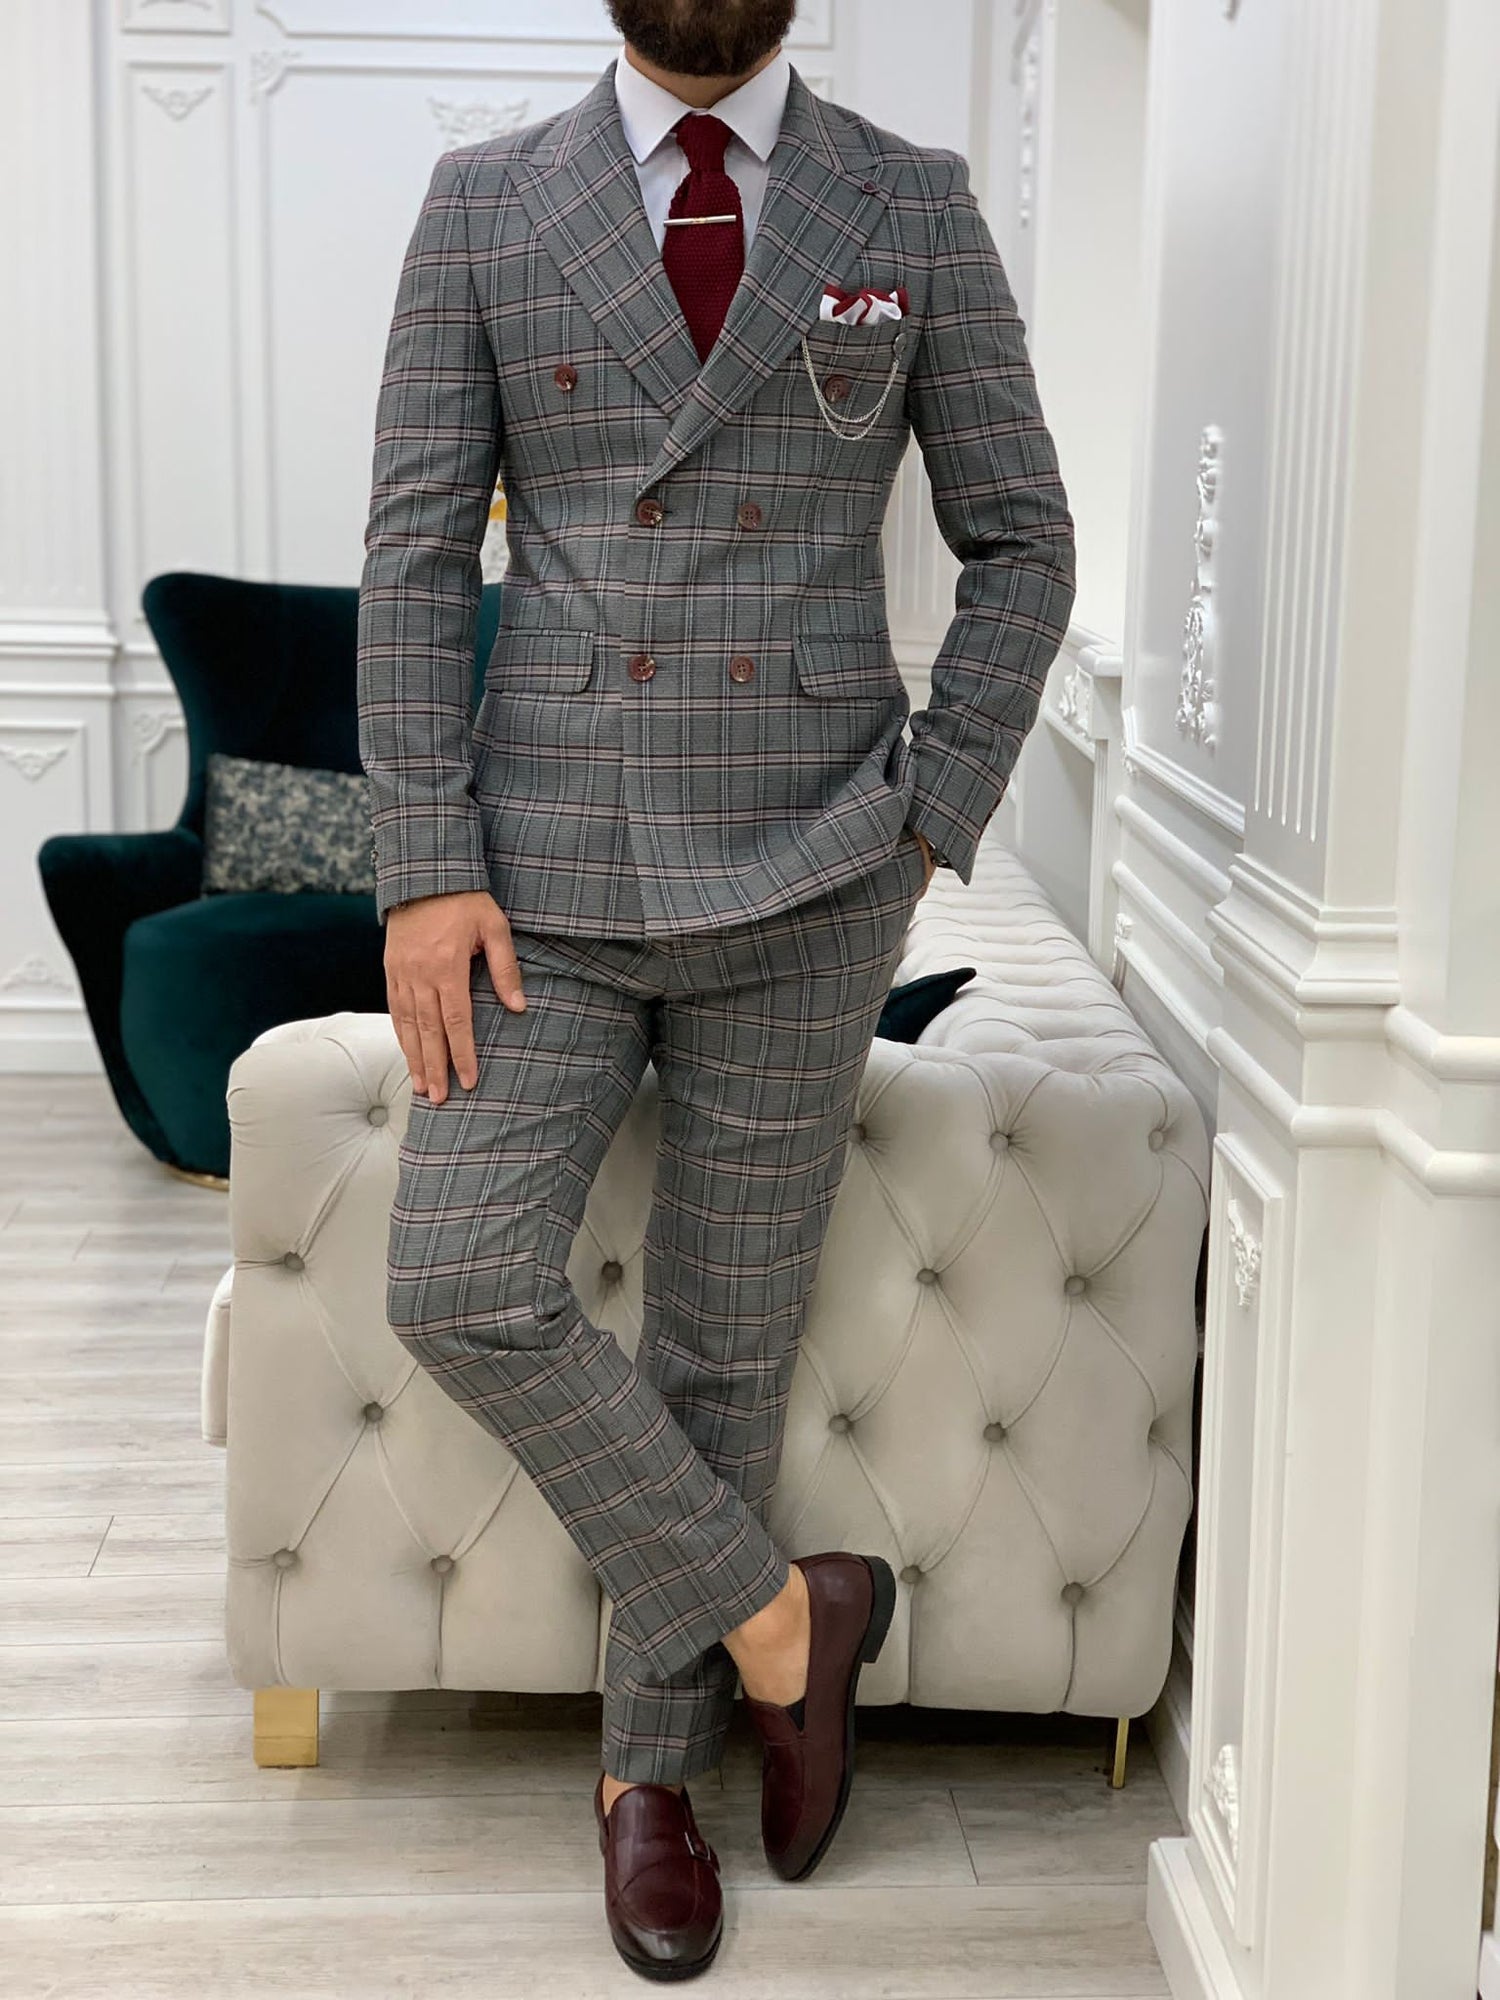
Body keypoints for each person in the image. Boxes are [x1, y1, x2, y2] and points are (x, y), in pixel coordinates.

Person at [356, 0, 1075, 1980]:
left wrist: (929, 814)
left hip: (814, 866)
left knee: (721, 1354)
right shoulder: (485, 205)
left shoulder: (906, 204)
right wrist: (423, 861)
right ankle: (786, 1619)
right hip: (543, 876)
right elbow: (413, 554)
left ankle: (646, 1782)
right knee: (456, 1275)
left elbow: (1023, 541)